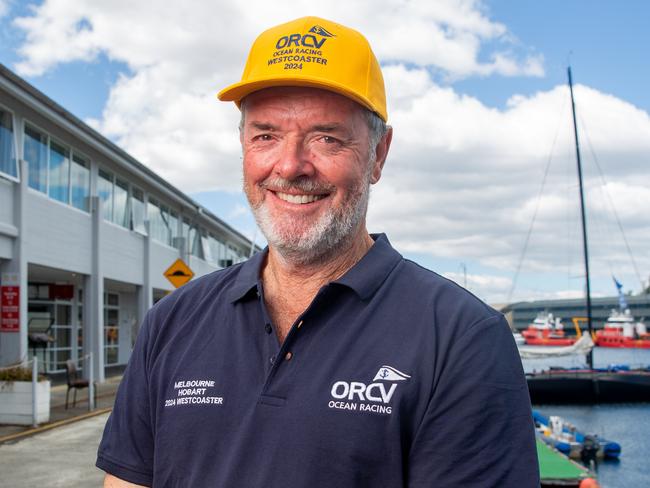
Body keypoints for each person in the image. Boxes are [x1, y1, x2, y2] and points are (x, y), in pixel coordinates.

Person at [97, 16, 539, 487]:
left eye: (326, 138)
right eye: (265, 135)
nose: (290, 166)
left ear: (379, 155)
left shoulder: (460, 337)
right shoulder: (174, 320)